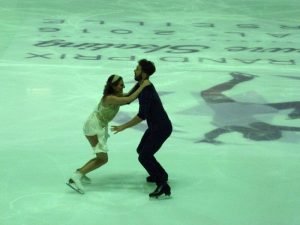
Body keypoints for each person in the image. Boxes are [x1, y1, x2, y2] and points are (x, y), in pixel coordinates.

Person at [67, 74, 150, 194]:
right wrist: (143, 86)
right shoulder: (110, 98)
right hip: (94, 126)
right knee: (102, 159)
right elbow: (129, 99)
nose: (123, 86)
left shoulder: (115, 95)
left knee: (100, 156)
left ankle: (80, 172)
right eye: (121, 85)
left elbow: (128, 95)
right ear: (114, 86)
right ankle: (76, 177)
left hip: (96, 125)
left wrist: (140, 83)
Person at [111, 59, 173, 199]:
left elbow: (141, 116)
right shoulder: (141, 85)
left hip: (161, 128)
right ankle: (161, 174)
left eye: (137, 69)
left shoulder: (147, 92)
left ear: (144, 74)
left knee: (144, 156)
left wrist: (123, 126)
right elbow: (127, 97)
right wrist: (110, 94)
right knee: (141, 151)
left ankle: (162, 184)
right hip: (155, 127)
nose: (134, 70)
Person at [199, 72, 300, 144]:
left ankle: (239, 79)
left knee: (208, 93)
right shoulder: (246, 128)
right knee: (208, 93)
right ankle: (238, 79)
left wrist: (209, 138)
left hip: (233, 111)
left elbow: (219, 131)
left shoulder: (240, 128)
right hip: (238, 110)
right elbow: (218, 131)